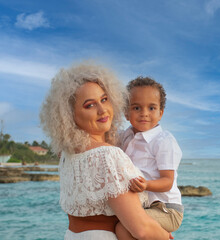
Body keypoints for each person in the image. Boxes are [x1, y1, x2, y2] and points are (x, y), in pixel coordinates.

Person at [39, 62, 171, 240]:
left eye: (104, 99)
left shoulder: (66, 155)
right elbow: (141, 229)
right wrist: (164, 235)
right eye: (90, 105)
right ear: (69, 116)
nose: (102, 110)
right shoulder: (107, 155)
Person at [116, 76, 183, 239]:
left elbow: (167, 181)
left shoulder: (163, 141)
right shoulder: (126, 136)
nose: (144, 114)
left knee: (123, 229)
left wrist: (146, 184)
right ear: (126, 112)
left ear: (160, 113)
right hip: (142, 206)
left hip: (167, 209)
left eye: (151, 108)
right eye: (137, 108)